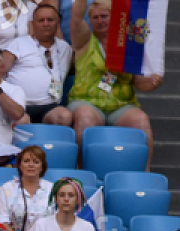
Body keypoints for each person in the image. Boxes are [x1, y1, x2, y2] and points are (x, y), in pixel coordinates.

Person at [66, 0, 158, 158]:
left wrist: (152, 83)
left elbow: (137, 82)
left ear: (114, 18)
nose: (100, 21)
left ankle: (146, 173)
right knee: (85, 117)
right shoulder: (84, 40)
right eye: (95, 17)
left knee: (141, 120)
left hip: (121, 105)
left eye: (104, 16)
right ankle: (81, 169)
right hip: (86, 101)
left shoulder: (129, 44)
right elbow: (76, 17)